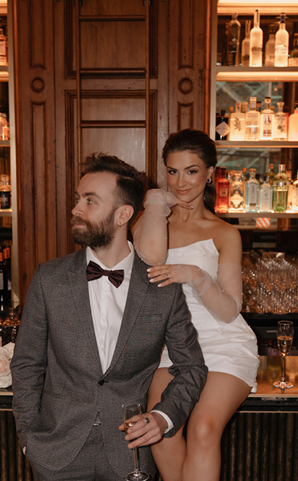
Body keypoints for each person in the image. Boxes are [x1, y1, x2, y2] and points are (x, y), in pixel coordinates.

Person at [11, 153, 208, 481]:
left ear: (123, 215)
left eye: (90, 201)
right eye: (78, 199)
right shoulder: (49, 278)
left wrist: (163, 418)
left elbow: (192, 368)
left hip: (130, 458)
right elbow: (26, 365)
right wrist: (29, 439)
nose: (76, 208)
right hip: (56, 453)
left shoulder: (162, 288)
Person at [132, 129, 259, 481]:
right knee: (161, 429)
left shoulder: (224, 233)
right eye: (172, 171)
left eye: (191, 171)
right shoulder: (148, 221)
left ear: (209, 173)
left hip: (221, 339)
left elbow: (230, 310)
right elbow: (148, 259)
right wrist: (156, 202)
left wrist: (196, 275)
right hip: (169, 343)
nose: (181, 181)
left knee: (203, 428)